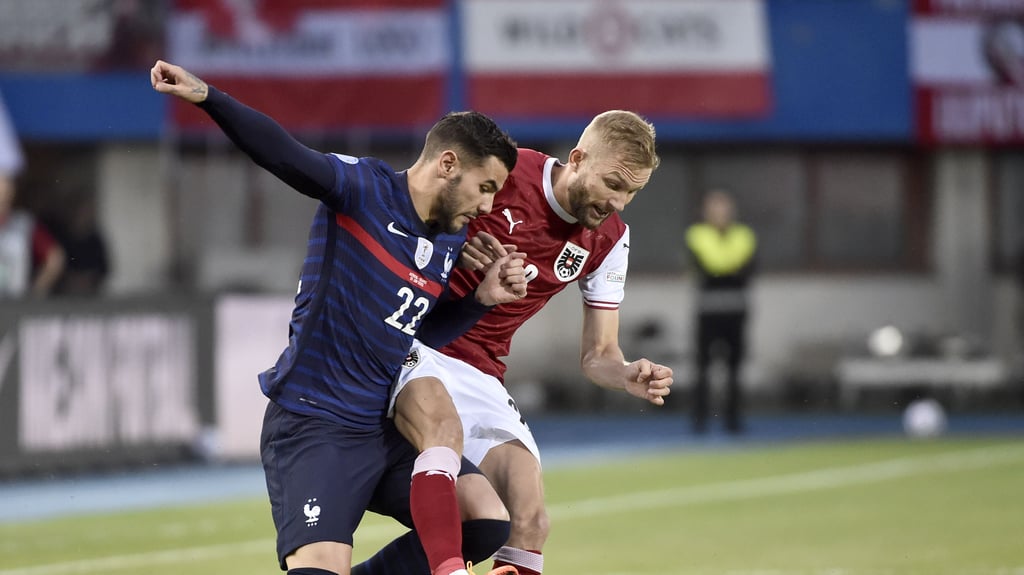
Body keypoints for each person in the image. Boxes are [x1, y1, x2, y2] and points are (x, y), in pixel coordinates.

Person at [150, 59, 525, 575]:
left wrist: (478, 302)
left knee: (483, 518)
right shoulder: (362, 190)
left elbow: (410, 334)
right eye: (486, 187)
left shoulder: (449, 240)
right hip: (314, 422)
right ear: (447, 164)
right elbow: (284, 154)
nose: (487, 206)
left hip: (380, 427)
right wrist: (208, 97)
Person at [355, 110, 673, 575]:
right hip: (414, 338)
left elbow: (599, 354)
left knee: (530, 520)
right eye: (613, 184)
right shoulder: (507, 170)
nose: (620, 202)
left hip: (479, 369)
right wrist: (452, 240)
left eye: (632, 192)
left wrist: (625, 374)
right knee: (452, 463)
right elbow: (410, 212)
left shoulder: (609, 240)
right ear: (578, 158)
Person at [685, 189, 757, 435]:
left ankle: (733, 420)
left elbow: (747, 269)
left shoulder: (744, 235)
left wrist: (724, 269)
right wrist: (729, 268)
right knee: (703, 367)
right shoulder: (697, 234)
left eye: (723, 207)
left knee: (735, 369)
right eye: (714, 207)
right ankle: (700, 420)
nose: (719, 213)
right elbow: (710, 266)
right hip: (708, 310)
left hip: (736, 310)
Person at [0, 173, 66, 298]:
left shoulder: (24, 223)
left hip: (15, 304)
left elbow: (55, 258)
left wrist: (35, 293)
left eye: (6, 192)